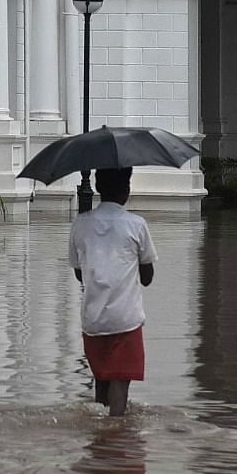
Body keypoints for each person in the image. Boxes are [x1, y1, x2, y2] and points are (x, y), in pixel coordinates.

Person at [68, 166, 157, 417]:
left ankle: (100, 443)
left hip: (93, 319)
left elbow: (78, 273)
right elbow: (148, 277)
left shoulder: (80, 224)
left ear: (96, 187)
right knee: (120, 380)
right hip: (125, 319)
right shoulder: (136, 225)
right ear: (127, 189)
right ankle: (115, 436)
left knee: (102, 379)